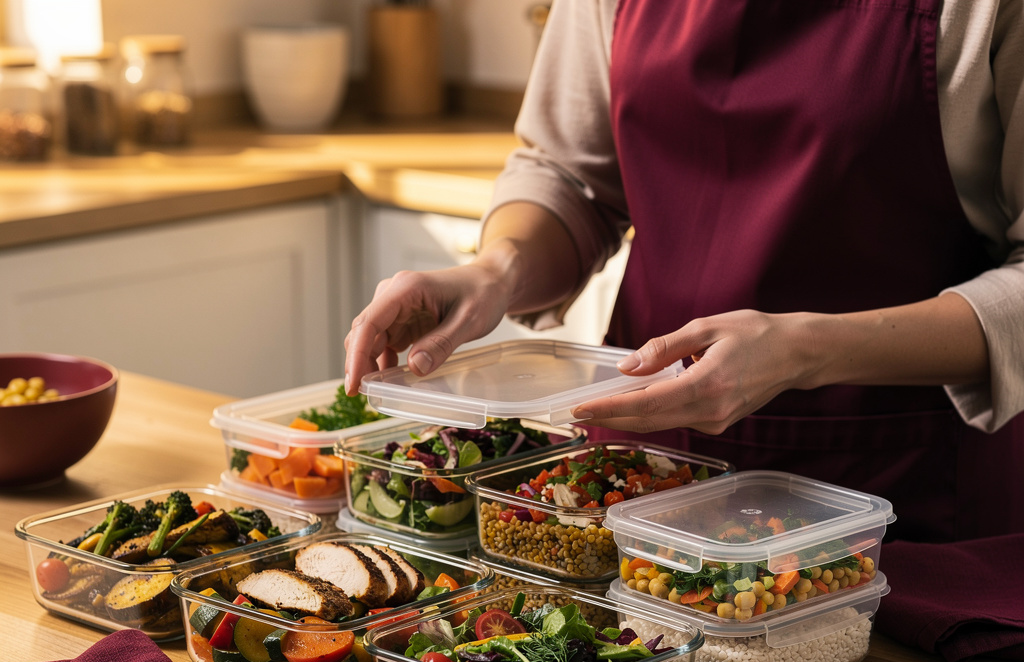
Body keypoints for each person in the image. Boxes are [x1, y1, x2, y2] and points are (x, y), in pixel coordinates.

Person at [344, 0, 1024, 543]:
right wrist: (497, 269)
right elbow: (570, 176)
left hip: (899, 496)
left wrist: (805, 351)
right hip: (635, 484)